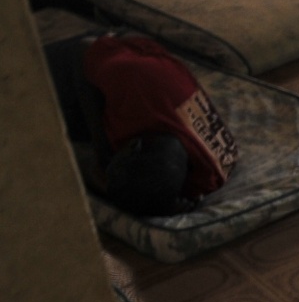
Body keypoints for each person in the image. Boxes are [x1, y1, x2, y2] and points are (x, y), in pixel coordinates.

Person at [44, 33, 238, 216]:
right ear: (133, 145)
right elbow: (83, 48)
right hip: (90, 55)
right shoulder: (131, 79)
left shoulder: (205, 177)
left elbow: (150, 196)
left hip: (128, 101)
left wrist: (167, 206)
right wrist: (101, 149)